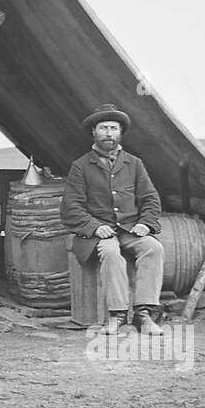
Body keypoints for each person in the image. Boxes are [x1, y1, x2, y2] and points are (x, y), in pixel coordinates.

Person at [62, 103, 165, 335]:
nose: (109, 133)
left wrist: (145, 223)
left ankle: (143, 314)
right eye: (103, 128)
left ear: (120, 133)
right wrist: (95, 227)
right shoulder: (80, 166)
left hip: (130, 229)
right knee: (110, 253)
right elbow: (71, 207)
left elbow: (150, 198)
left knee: (153, 248)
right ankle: (117, 315)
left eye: (113, 128)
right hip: (97, 234)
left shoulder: (134, 163)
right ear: (94, 132)